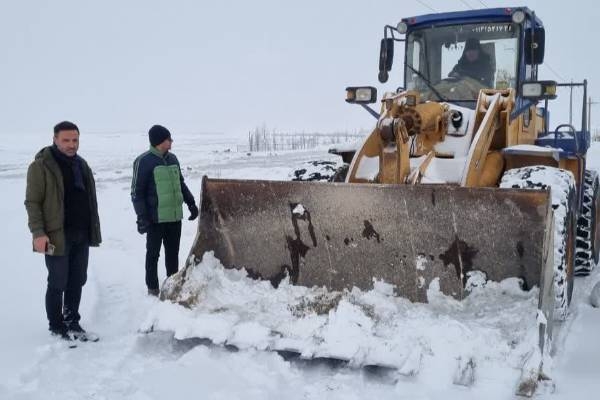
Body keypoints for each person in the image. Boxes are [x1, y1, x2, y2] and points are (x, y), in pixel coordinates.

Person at [24, 121, 102, 343]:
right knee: (58, 280)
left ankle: (72, 321)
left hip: (81, 232)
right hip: (56, 234)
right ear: (55, 139)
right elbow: (32, 202)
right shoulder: (40, 167)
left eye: (75, 140)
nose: (71, 145)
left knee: (78, 279)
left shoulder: (81, 165)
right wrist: (38, 233)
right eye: (66, 140)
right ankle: (56, 326)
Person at [131, 125, 198, 296]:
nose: (171, 142)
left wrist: (191, 203)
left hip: (174, 217)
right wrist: (142, 217)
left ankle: (171, 284)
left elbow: (180, 184)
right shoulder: (143, 161)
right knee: (153, 254)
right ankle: (152, 288)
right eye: (169, 139)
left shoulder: (173, 159)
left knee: (172, 253)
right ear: (160, 141)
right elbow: (137, 193)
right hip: (155, 219)